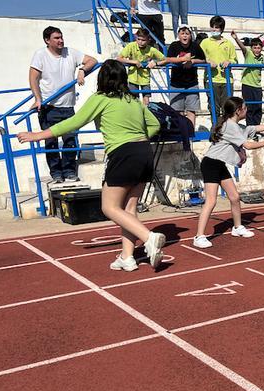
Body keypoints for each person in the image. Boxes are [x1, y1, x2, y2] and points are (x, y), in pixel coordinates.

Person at [18, 59, 165, 271]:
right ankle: (127, 257)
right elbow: (155, 124)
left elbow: (74, 122)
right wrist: (139, 139)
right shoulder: (133, 100)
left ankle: (149, 237)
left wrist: (38, 135)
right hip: (144, 152)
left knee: (109, 207)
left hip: (123, 153)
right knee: (129, 209)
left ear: (102, 79)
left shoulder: (100, 98)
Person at [193, 97, 264, 248]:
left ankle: (237, 227)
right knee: (211, 201)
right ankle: (199, 236)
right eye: (245, 108)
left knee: (234, 197)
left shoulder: (236, 126)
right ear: (238, 111)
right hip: (210, 164)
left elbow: (254, 128)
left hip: (218, 163)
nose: (247, 110)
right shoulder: (231, 127)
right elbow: (247, 145)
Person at [29, 26, 97, 183]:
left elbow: (92, 60)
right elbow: (33, 78)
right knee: (51, 142)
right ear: (47, 40)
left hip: (68, 107)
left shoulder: (70, 52)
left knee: (70, 140)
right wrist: (37, 98)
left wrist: (82, 70)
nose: (61, 40)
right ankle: (56, 173)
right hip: (49, 108)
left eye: (61, 37)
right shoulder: (40, 55)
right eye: (56, 38)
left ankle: (69, 171)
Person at [165, 24, 206, 127]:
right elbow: (168, 59)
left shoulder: (195, 46)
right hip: (176, 84)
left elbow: (203, 59)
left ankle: (191, 132)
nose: (185, 36)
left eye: (187, 34)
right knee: (177, 111)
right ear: (178, 35)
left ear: (191, 35)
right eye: (182, 33)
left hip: (192, 83)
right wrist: (182, 59)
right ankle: (180, 132)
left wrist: (192, 61)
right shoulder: (174, 45)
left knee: (191, 111)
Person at [117, 29, 166, 106]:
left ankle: (145, 115)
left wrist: (155, 63)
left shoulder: (151, 49)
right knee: (133, 100)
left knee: (146, 100)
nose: (140, 42)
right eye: (138, 39)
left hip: (145, 78)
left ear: (148, 40)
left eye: (143, 40)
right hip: (132, 77)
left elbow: (165, 59)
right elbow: (119, 58)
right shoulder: (131, 46)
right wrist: (134, 62)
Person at [200, 16, 237, 119]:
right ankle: (215, 131)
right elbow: (199, 58)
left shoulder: (228, 43)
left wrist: (229, 61)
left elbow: (235, 59)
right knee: (214, 108)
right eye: (212, 27)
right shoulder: (205, 42)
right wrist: (207, 61)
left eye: (217, 27)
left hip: (227, 80)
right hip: (211, 79)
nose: (214, 29)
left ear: (222, 29)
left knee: (228, 109)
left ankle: (226, 131)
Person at [231, 34, 264, 127]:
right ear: (251, 48)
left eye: (259, 48)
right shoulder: (248, 54)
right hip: (247, 85)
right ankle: (250, 129)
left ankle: (257, 128)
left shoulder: (262, 57)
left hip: (257, 86)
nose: (257, 50)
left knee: (258, 108)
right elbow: (242, 48)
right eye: (255, 48)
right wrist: (236, 38)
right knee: (249, 108)